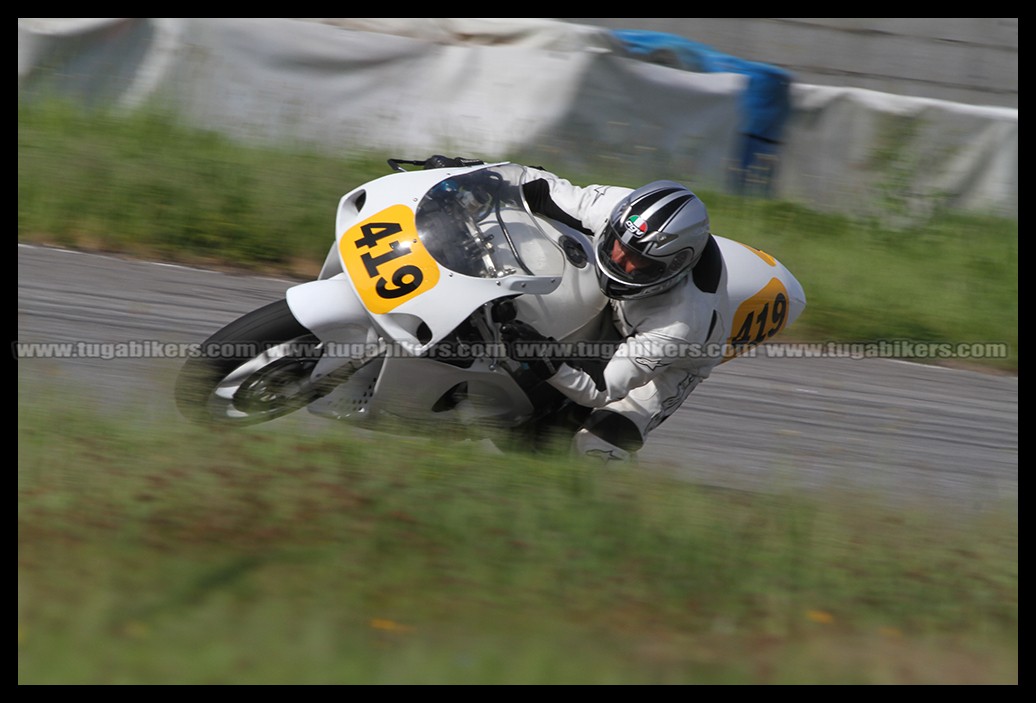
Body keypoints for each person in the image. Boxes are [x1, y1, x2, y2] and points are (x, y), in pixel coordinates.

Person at [425, 156, 726, 462]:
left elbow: (601, 386)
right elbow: (538, 186)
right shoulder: (616, 209)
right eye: (618, 242)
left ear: (673, 267)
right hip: (618, 305)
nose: (618, 258)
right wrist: (470, 176)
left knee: (596, 446)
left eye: (638, 260)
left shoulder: (680, 324)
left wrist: (542, 354)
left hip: (670, 364)